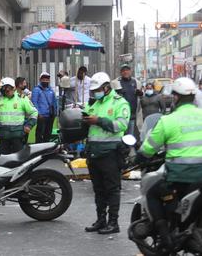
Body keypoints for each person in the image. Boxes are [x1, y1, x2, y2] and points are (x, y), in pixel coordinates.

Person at [138, 77, 202, 250]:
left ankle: (166, 238)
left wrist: (138, 157)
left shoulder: (168, 121)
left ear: (176, 97)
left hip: (179, 178)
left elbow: (147, 149)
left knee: (152, 193)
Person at [83, 72, 130, 235]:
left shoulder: (120, 103)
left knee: (112, 189)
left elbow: (121, 125)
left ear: (106, 87)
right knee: (98, 189)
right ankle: (101, 220)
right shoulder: (95, 103)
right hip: (94, 152)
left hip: (110, 152)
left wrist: (99, 121)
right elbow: (87, 119)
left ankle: (113, 222)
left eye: (97, 89)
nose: (95, 92)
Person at [0, 77, 38, 155]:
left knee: (18, 159)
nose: (6, 91)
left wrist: (29, 125)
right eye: (4, 89)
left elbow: (34, 113)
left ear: (13, 88)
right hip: (3, 137)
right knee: (3, 160)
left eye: (8, 89)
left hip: (17, 137)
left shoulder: (22, 99)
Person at [31, 72, 57, 143]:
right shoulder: (36, 90)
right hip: (41, 116)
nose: (45, 80)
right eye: (44, 79)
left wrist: (55, 113)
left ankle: (47, 150)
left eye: (47, 79)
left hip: (50, 115)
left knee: (48, 134)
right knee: (39, 134)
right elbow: (34, 102)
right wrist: (38, 114)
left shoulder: (51, 90)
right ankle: (38, 149)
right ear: (40, 79)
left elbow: (54, 102)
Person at [118, 64, 143, 136]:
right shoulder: (116, 82)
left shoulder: (136, 82)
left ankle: (129, 146)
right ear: (121, 72)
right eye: (123, 70)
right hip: (120, 114)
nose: (125, 72)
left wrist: (141, 94)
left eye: (127, 70)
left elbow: (142, 98)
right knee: (121, 134)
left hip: (132, 114)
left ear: (130, 71)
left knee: (130, 135)